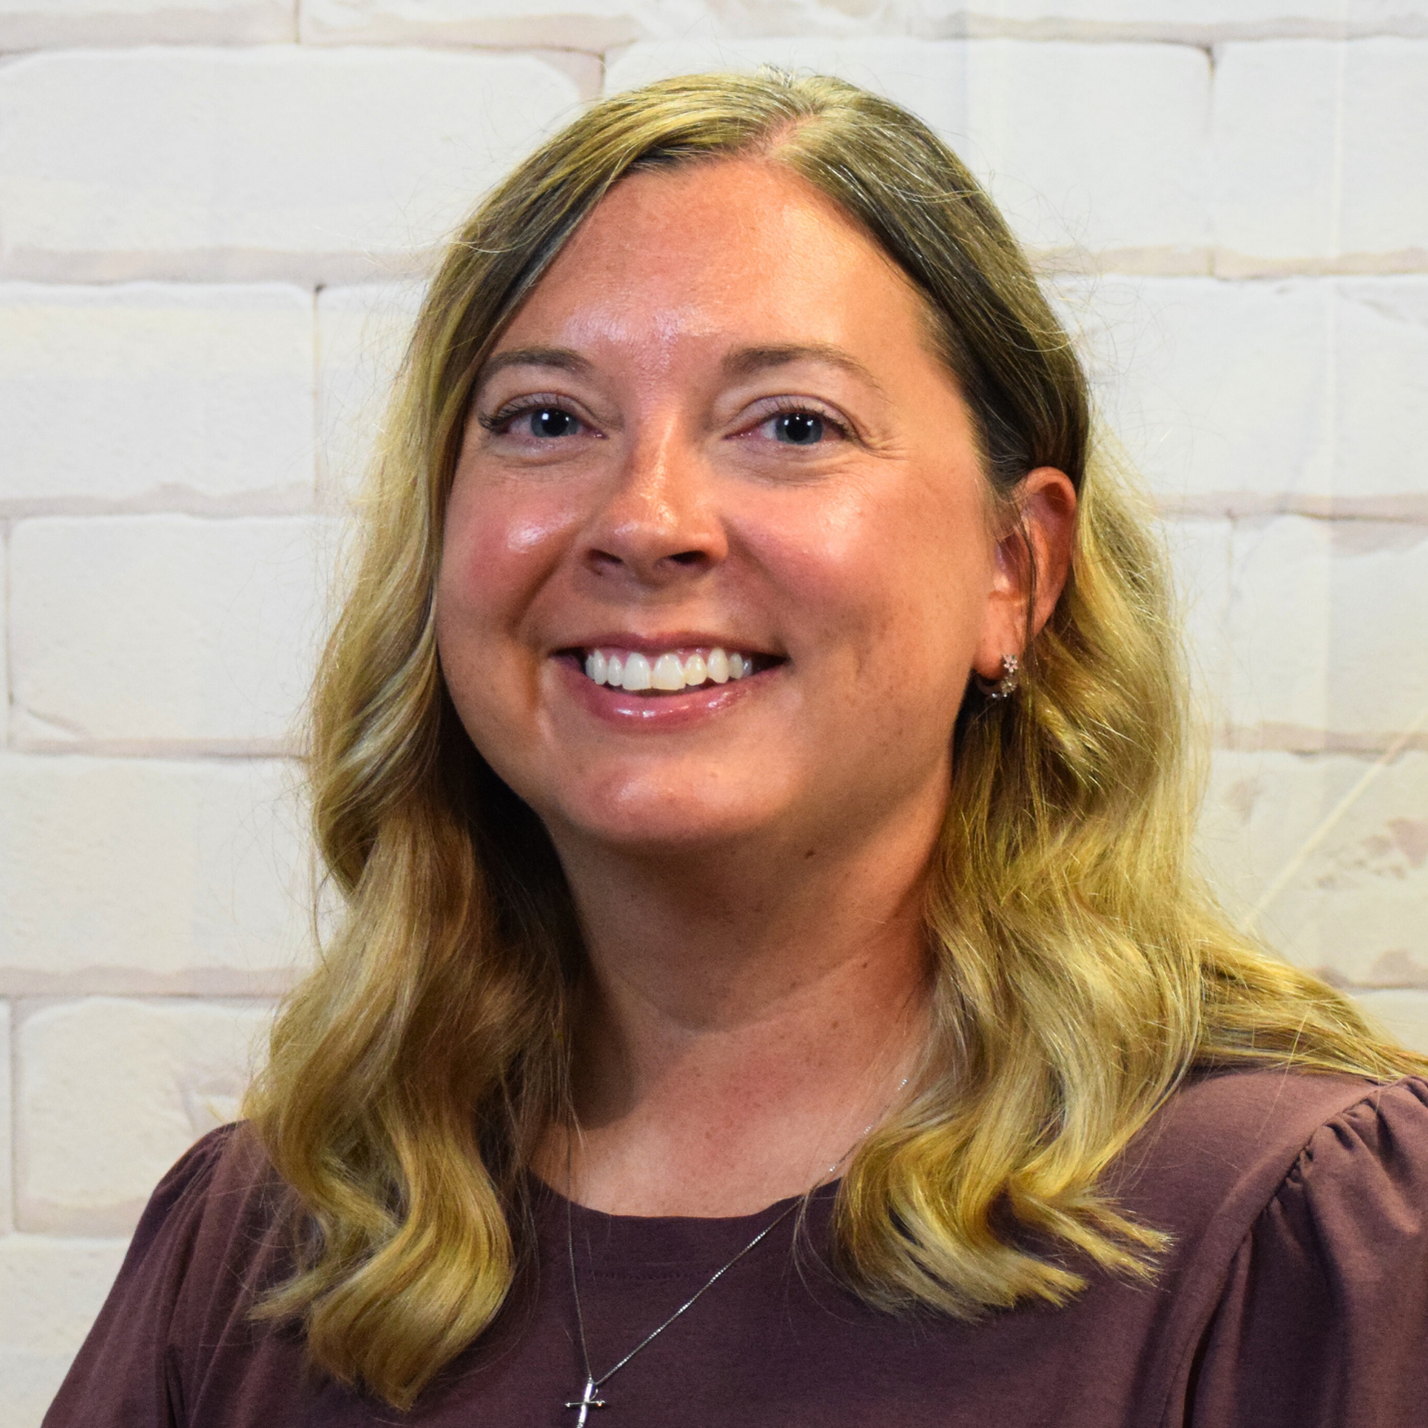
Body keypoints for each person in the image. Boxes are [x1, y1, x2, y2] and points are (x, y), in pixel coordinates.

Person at [45, 71, 1428, 1428]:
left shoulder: (1297, 1240)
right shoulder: (265, 1252)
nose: (648, 519)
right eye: (546, 419)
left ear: (1016, 569)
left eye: (791, 426)